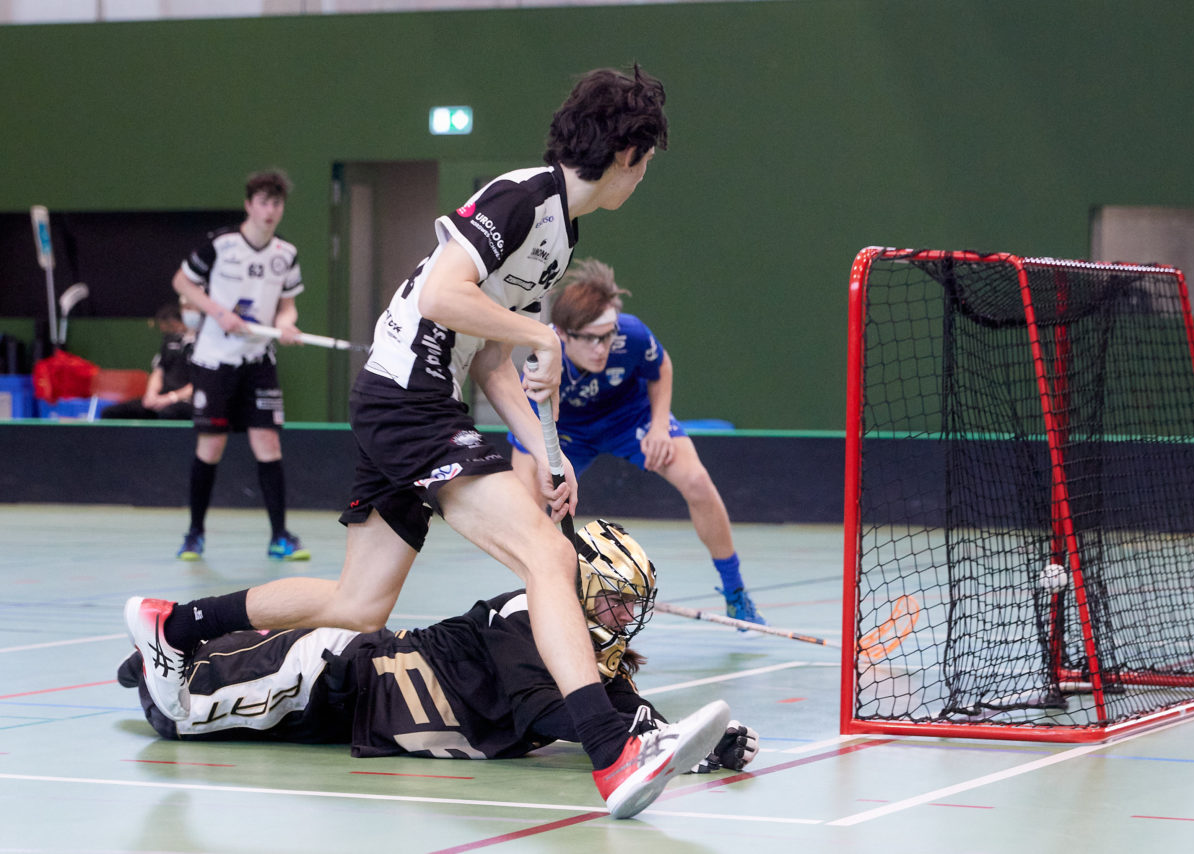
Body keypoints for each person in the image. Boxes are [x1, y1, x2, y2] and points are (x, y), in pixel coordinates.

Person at [123, 66, 732, 819]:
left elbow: (491, 358)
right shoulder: (521, 198)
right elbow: (445, 294)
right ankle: (614, 755)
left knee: (357, 605)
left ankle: (174, 624)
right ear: (626, 155)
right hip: (410, 401)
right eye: (646, 162)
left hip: (409, 403)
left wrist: (546, 449)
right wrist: (543, 335)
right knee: (548, 557)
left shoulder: (556, 233)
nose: (643, 176)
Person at [119, 520, 759, 776]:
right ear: (581, 586)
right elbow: (543, 711)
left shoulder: (591, 652)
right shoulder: (525, 613)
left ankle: (162, 656)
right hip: (338, 674)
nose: (624, 616)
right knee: (176, 715)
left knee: (212, 687)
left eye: (631, 603)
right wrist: (641, 730)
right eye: (615, 598)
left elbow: (628, 713)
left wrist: (702, 744)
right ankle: (156, 645)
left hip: (352, 714)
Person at [508, 258, 765, 627]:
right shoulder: (542, 360)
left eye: (607, 335)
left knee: (697, 481)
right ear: (563, 333)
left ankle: (735, 592)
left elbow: (661, 367)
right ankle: (545, 599)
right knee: (526, 505)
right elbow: (527, 428)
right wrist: (545, 473)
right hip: (565, 430)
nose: (602, 347)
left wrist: (659, 426)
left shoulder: (631, 334)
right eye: (591, 338)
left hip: (630, 417)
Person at [169, 169, 309, 562]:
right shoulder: (221, 244)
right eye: (263, 202)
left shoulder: (286, 254)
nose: (270, 210)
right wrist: (217, 312)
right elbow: (181, 282)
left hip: (259, 360)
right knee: (211, 445)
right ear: (249, 205)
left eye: (276, 203)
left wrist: (286, 325)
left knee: (268, 442)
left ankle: (280, 536)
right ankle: (194, 534)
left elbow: (287, 305)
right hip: (216, 360)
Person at [99, 302, 195, 421]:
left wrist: (171, 398)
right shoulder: (170, 340)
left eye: (191, 308)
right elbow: (158, 371)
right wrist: (151, 394)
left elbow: (200, 384)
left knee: (168, 414)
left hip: (186, 401)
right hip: (161, 398)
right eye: (185, 308)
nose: (187, 312)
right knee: (111, 413)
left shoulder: (204, 344)